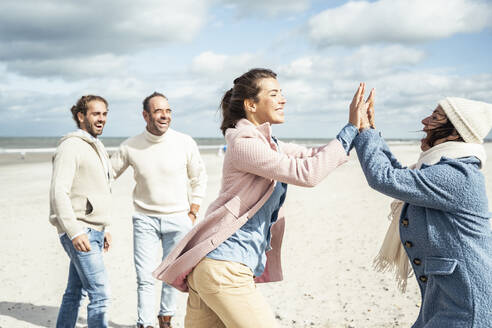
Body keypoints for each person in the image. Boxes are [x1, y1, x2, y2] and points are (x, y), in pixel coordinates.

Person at [153, 68, 369, 327]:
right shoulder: (244, 144)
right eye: (274, 93)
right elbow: (307, 174)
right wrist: (350, 127)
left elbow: (313, 156)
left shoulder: (269, 144)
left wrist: (359, 132)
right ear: (251, 105)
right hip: (225, 268)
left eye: (282, 93)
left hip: (214, 269)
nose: (283, 99)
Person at [352, 89, 492, 327]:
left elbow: (385, 178)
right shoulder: (439, 170)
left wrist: (362, 129)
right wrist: (372, 131)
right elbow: (400, 176)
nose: (424, 121)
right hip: (445, 300)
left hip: (469, 306)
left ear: (456, 134)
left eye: (435, 117)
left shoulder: (457, 175)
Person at [111, 92, 207, 328]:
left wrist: (194, 209)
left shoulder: (184, 142)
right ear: (145, 115)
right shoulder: (130, 146)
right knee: (144, 278)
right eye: (158, 111)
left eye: (168, 111)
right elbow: (106, 176)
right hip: (144, 219)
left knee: (172, 276)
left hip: (179, 218)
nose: (164, 116)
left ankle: (165, 319)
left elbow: (199, 177)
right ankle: (144, 324)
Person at [49, 95, 112, 328]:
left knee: (75, 293)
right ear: (81, 116)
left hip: (94, 229)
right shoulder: (71, 146)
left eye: (105, 114)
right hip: (80, 230)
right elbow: (58, 192)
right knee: (101, 293)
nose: (102, 119)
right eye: (96, 113)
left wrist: (105, 227)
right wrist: (75, 232)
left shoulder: (97, 146)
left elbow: (98, 190)